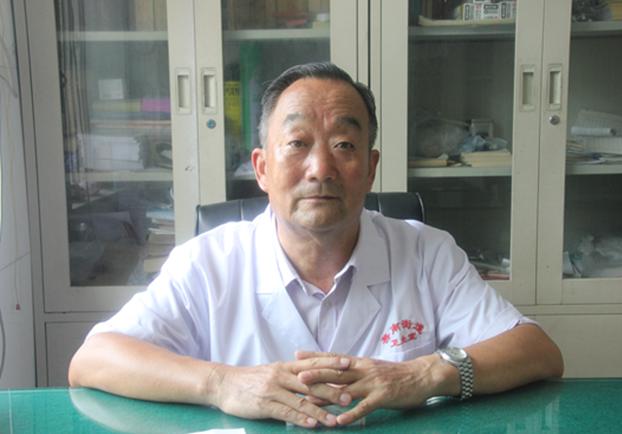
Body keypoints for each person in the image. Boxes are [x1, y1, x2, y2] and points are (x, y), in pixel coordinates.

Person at [69, 62, 563, 429]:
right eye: (297, 143)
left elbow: (538, 352)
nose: (321, 169)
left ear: (370, 169)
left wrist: (424, 375)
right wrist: (222, 383)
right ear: (262, 168)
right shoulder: (207, 261)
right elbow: (92, 360)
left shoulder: (426, 251)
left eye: (344, 146)